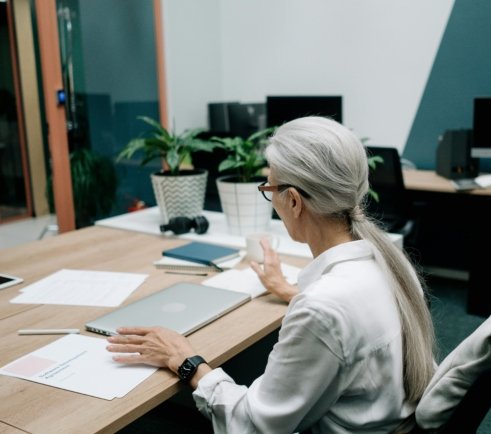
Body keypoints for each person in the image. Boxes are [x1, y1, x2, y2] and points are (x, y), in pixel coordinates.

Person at [106, 116, 436, 433]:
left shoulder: (323, 308)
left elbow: (253, 426)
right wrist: (290, 291)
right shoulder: (388, 260)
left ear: (293, 201)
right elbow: (354, 320)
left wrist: (185, 360)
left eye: (270, 188)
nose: (271, 197)